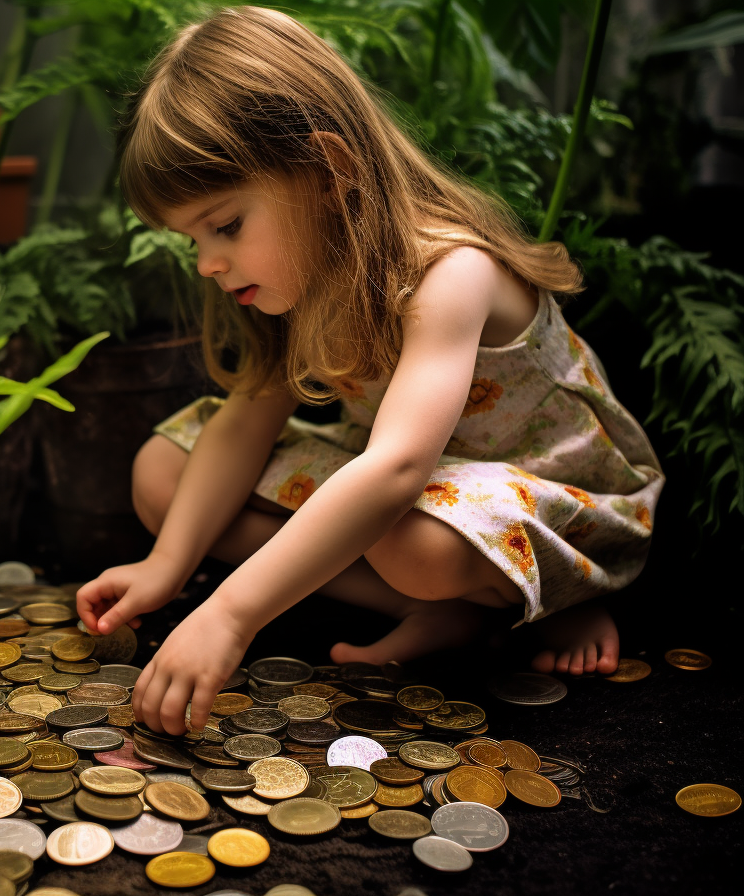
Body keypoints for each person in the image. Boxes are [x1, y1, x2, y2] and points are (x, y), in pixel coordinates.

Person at [74, 6, 664, 736]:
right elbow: (246, 425)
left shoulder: (452, 272)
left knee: (407, 539)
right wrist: (169, 565)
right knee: (165, 474)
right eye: (191, 237)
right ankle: (435, 610)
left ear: (330, 170)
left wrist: (230, 611)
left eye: (225, 225)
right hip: (422, 492)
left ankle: (545, 601)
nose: (208, 262)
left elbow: (395, 468)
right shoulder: (303, 276)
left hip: (551, 501)